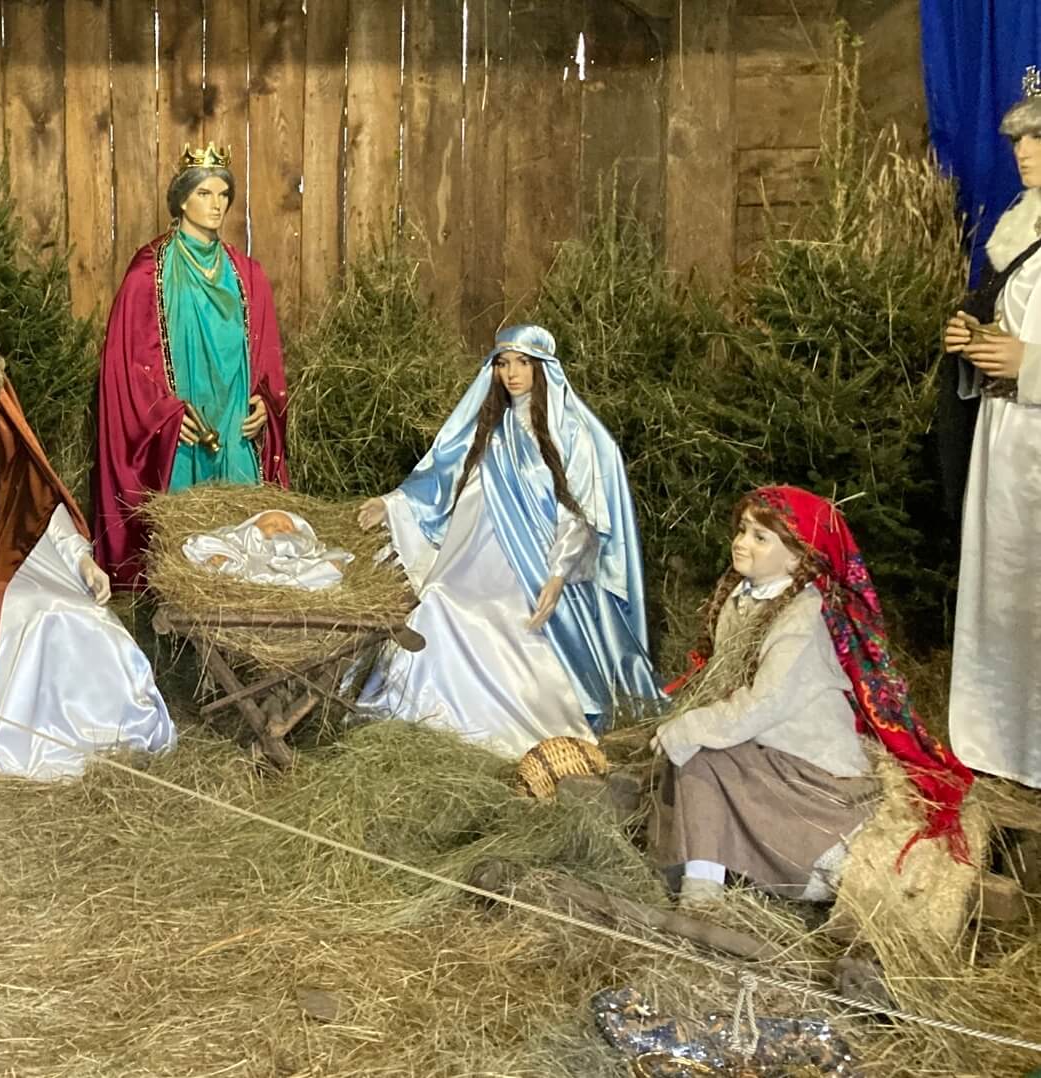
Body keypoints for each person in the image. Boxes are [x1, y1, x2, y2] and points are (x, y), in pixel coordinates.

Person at [652, 487, 973, 904]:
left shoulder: (802, 617)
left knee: (699, 753)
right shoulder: (739, 597)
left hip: (805, 762)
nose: (741, 542)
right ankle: (704, 875)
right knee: (699, 755)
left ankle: (786, 870)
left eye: (759, 537)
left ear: (798, 558)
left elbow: (764, 702)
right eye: (743, 529)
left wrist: (690, 726)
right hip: (764, 741)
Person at [354, 324, 660, 758]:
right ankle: (432, 714)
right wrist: (394, 504)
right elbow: (443, 472)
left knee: (519, 628)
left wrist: (557, 575)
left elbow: (581, 510)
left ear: (543, 369)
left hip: (533, 566)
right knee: (438, 605)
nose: (511, 374)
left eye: (522, 363)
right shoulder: (490, 427)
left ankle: (521, 723)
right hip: (471, 563)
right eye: (502, 364)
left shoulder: (571, 431)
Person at [0, 300, 174, 779]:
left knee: (74, 613)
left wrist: (81, 561)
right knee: (34, 619)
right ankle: (12, 736)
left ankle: (107, 732)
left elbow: (40, 505)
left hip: (4, 565)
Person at [92, 141, 290, 589]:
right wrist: (159, 414)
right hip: (181, 429)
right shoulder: (149, 273)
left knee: (244, 548)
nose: (216, 204)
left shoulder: (249, 275)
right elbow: (126, 367)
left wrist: (266, 404)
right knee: (182, 549)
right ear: (182, 199)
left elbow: (267, 362)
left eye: (223, 195)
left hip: (235, 420)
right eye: (204, 193)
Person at [942, 77, 1041, 788]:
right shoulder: (1020, 228)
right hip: (1007, 438)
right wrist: (979, 345)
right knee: (1004, 588)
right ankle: (1001, 741)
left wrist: (1031, 365)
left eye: (1037, 138)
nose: (1022, 153)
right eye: (1017, 140)